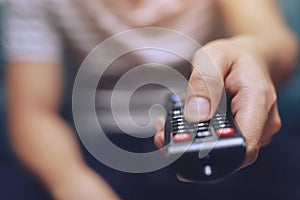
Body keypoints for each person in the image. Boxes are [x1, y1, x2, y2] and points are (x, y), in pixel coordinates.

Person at [4, 0, 298, 199]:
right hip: (100, 142)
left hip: (207, 133)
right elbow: (32, 113)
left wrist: (255, 52)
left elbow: (272, 38)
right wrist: (70, 180)